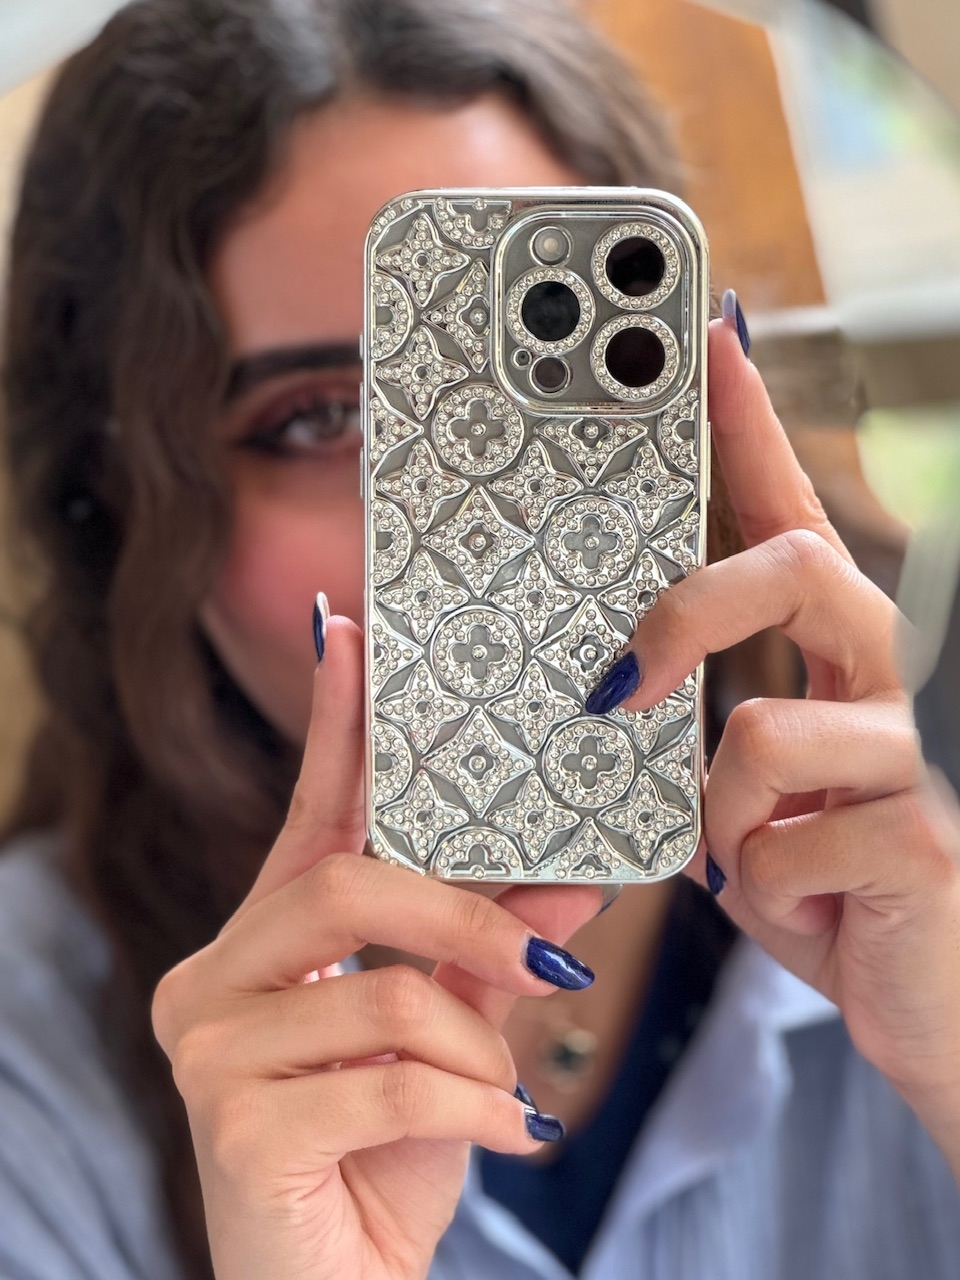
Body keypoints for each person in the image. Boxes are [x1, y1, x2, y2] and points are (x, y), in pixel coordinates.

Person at [2, 1, 959, 1277]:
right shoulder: (28, 1069)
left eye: (548, 374)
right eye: (320, 417)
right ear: (117, 510)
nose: (477, 515)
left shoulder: (930, 863)